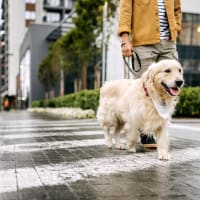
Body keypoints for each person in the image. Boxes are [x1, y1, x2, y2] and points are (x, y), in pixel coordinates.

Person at [118, 0, 182, 148]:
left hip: (169, 43)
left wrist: (176, 27)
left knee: (170, 86)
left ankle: (160, 129)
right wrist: (125, 40)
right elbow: (125, 12)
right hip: (143, 42)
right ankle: (145, 132)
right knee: (144, 88)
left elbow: (177, 8)